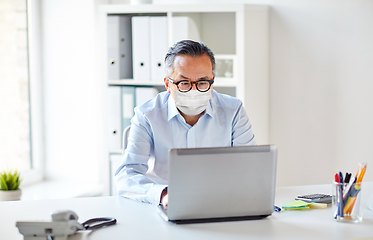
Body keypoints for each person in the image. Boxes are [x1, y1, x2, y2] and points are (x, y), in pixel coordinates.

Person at [115, 40, 256, 207]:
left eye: (203, 82)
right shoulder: (147, 115)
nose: (194, 90)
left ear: (212, 82)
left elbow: (250, 168)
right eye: (184, 83)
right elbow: (127, 175)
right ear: (168, 84)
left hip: (221, 203)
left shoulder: (233, 111)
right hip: (166, 204)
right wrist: (163, 195)